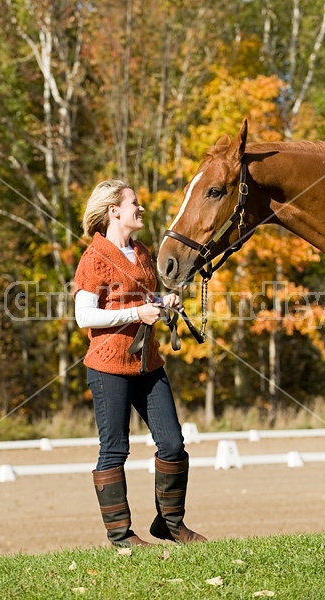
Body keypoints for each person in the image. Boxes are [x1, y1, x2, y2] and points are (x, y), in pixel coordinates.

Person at [73, 179, 206, 547]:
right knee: (115, 449)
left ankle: (170, 523)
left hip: (149, 364)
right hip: (107, 367)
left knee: (173, 443)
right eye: (134, 202)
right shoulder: (93, 259)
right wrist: (137, 311)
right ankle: (120, 535)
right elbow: (85, 317)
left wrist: (164, 302)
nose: (140, 207)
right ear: (114, 210)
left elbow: (142, 299)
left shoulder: (142, 252)